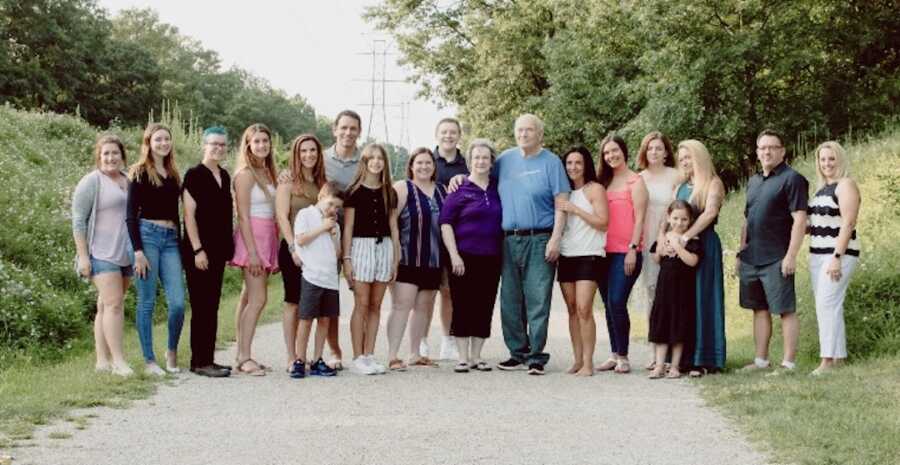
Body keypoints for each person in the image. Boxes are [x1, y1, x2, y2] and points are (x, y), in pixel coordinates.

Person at [494, 114, 570, 375]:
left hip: (540, 239)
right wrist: (460, 180)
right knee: (510, 299)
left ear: (539, 134)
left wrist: (555, 238)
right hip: (507, 240)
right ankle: (517, 352)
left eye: (529, 130)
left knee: (538, 298)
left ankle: (537, 355)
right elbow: (481, 181)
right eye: (519, 130)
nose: (523, 134)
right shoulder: (504, 160)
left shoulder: (551, 163)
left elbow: (562, 203)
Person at [737, 129, 808, 373]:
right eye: (762, 148)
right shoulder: (754, 181)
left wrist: (791, 255)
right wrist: (741, 251)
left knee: (785, 310)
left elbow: (800, 220)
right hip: (751, 257)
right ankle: (761, 361)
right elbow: (746, 220)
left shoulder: (793, 179)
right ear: (757, 153)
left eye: (772, 147)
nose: (767, 151)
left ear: (782, 151)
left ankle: (788, 363)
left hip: (777, 257)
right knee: (759, 309)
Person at [72, 134, 134, 377]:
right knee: (114, 304)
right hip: (100, 253)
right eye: (105, 153)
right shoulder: (91, 182)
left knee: (105, 305)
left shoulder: (129, 180)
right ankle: (119, 361)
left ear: (122, 156)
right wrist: (83, 256)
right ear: (99, 156)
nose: (110, 158)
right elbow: (78, 221)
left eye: (115, 153)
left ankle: (101, 361)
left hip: (126, 253)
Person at [127, 123, 185, 376]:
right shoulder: (139, 172)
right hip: (147, 237)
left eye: (167, 139)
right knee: (147, 302)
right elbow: (130, 215)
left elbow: (177, 213)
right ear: (149, 143)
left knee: (178, 303)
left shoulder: (173, 173)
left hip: (171, 239)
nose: (163, 143)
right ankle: (149, 360)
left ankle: (171, 351)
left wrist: (182, 246)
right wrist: (137, 251)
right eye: (158, 139)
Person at [440, 139, 503, 373]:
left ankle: (477, 356)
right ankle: (463, 358)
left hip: (492, 256)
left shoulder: (498, 187)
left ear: (491, 161)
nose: (481, 161)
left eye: (485, 157)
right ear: (469, 161)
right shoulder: (459, 188)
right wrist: (454, 255)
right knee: (463, 304)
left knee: (484, 305)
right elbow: (445, 223)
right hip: (464, 256)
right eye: (476, 157)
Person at [386, 148, 447, 370]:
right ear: (411, 166)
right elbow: (391, 221)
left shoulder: (442, 191)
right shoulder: (402, 188)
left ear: (434, 166)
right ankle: (393, 355)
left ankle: (415, 353)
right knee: (402, 305)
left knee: (423, 306)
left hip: (432, 259)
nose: (423, 167)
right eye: (419, 163)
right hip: (407, 257)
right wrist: (394, 252)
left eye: (428, 163)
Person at [181, 127, 234, 378]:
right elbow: (188, 216)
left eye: (223, 145)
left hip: (218, 251)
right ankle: (198, 361)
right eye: (214, 144)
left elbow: (225, 217)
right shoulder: (194, 175)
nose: (218, 148)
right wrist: (197, 249)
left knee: (212, 305)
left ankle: (208, 358)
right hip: (199, 253)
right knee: (202, 306)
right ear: (204, 145)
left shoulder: (225, 175)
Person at [342, 143, 400, 375]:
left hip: (384, 247)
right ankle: (357, 357)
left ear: (385, 163)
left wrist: (395, 257)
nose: (376, 162)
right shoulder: (353, 191)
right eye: (371, 159)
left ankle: (369, 354)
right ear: (364, 163)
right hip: (360, 248)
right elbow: (348, 228)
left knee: (376, 305)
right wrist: (347, 259)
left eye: (380, 158)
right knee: (362, 303)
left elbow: (394, 227)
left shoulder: (390, 192)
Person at [672, 139, 727, 376]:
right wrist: (670, 242)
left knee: (705, 298)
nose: (685, 161)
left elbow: (710, 213)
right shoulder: (680, 186)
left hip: (705, 245)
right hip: (682, 248)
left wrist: (686, 237)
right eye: (682, 158)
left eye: (689, 157)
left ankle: (705, 359)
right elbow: (671, 216)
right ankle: (683, 357)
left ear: (700, 157)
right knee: (684, 300)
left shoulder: (713, 183)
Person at [229, 123, 280, 376]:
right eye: (256, 141)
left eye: (265, 141)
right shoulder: (245, 174)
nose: (261, 145)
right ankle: (245, 357)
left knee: (248, 296)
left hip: (268, 234)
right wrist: (252, 252)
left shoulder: (268, 171)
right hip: (253, 238)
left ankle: (242, 354)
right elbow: (243, 216)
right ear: (248, 144)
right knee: (259, 299)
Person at [595, 133, 648, 374]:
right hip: (601, 252)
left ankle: (624, 356)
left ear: (624, 152)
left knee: (617, 301)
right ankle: (614, 354)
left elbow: (639, 219)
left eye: (614, 151)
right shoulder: (601, 182)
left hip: (625, 252)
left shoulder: (635, 181)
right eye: (606, 153)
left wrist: (632, 250)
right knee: (608, 303)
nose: (611, 156)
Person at [807, 141, 860, 376]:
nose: (827, 163)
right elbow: (814, 224)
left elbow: (848, 223)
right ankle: (838, 358)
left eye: (831, 159)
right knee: (828, 307)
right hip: (817, 254)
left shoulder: (846, 185)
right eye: (823, 159)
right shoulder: (821, 189)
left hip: (837, 254)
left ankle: (826, 361)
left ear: (840, 160)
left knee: (826, 304)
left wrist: (837, 257)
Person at [275, 134, 327, 373]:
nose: (308, 155)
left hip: (318, 252)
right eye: (303, 151)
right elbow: (282, 218)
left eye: (313, 151)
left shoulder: (322, 183)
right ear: (296, 154)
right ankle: (291, 356)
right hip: (294, 251)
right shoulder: (287, 182)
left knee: (313, 306)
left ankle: (307, 354)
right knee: (293, 303)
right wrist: (293, 247)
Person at [557, 146, 608, 376]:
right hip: (567, 255)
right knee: (571, 310)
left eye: (578, 163)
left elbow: (603, 223)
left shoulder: (594, 189)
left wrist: (575, 209)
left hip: (590, 255)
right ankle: (577, 360)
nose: (573, 167)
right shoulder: (563, 191)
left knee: (584, 308)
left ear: (586, 164)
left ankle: (588, 363)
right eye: (569, 163)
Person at [291, 182, 345, 379]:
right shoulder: (306, 215)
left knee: (325, 320)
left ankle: (317, 359)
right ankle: (299, 359)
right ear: (322, 195)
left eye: (337, 207)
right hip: (312, 276)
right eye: (331, 204)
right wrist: (322, 228)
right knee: (306, 319)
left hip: (330, 278)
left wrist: (332, 235)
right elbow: (301, 240)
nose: (333, 210)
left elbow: (337, 253)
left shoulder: (335, 225)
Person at [636, 132, 680, 370]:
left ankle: (676, 351)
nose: (654, 152)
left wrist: (669, 237)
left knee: (672, 294)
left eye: (659, 148)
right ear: (645, 152)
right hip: (646, 239)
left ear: (666, 152)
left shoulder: (676, 176)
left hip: (670, 237)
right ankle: (655, 353)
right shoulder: (639, 178)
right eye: (650, 148)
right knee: (652, 293)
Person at [427, 117, 468, 360]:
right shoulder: (426, 161)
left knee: (449, 291)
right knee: (426, 292)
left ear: (459, 135)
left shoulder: (467, 164)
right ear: (437, 134)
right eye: (444, 132)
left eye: (453, 132)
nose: (448, 136)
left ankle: (448, 339)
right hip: (428, 235)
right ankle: (420, 341)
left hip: (457, 235)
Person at [648, 200, 702, 379]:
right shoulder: (664, 236)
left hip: (682, 291)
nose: (679, 223)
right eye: (676, 218)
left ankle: (675, 366)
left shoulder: (693, 239)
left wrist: (678, 246)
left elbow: (693, 261)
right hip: (664, 289)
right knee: (662, 326)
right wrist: (662, 246)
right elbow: (656, 258)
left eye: (684, 219)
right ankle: (660, 365)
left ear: (690, 220)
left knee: (679, 327)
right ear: (669, 218)